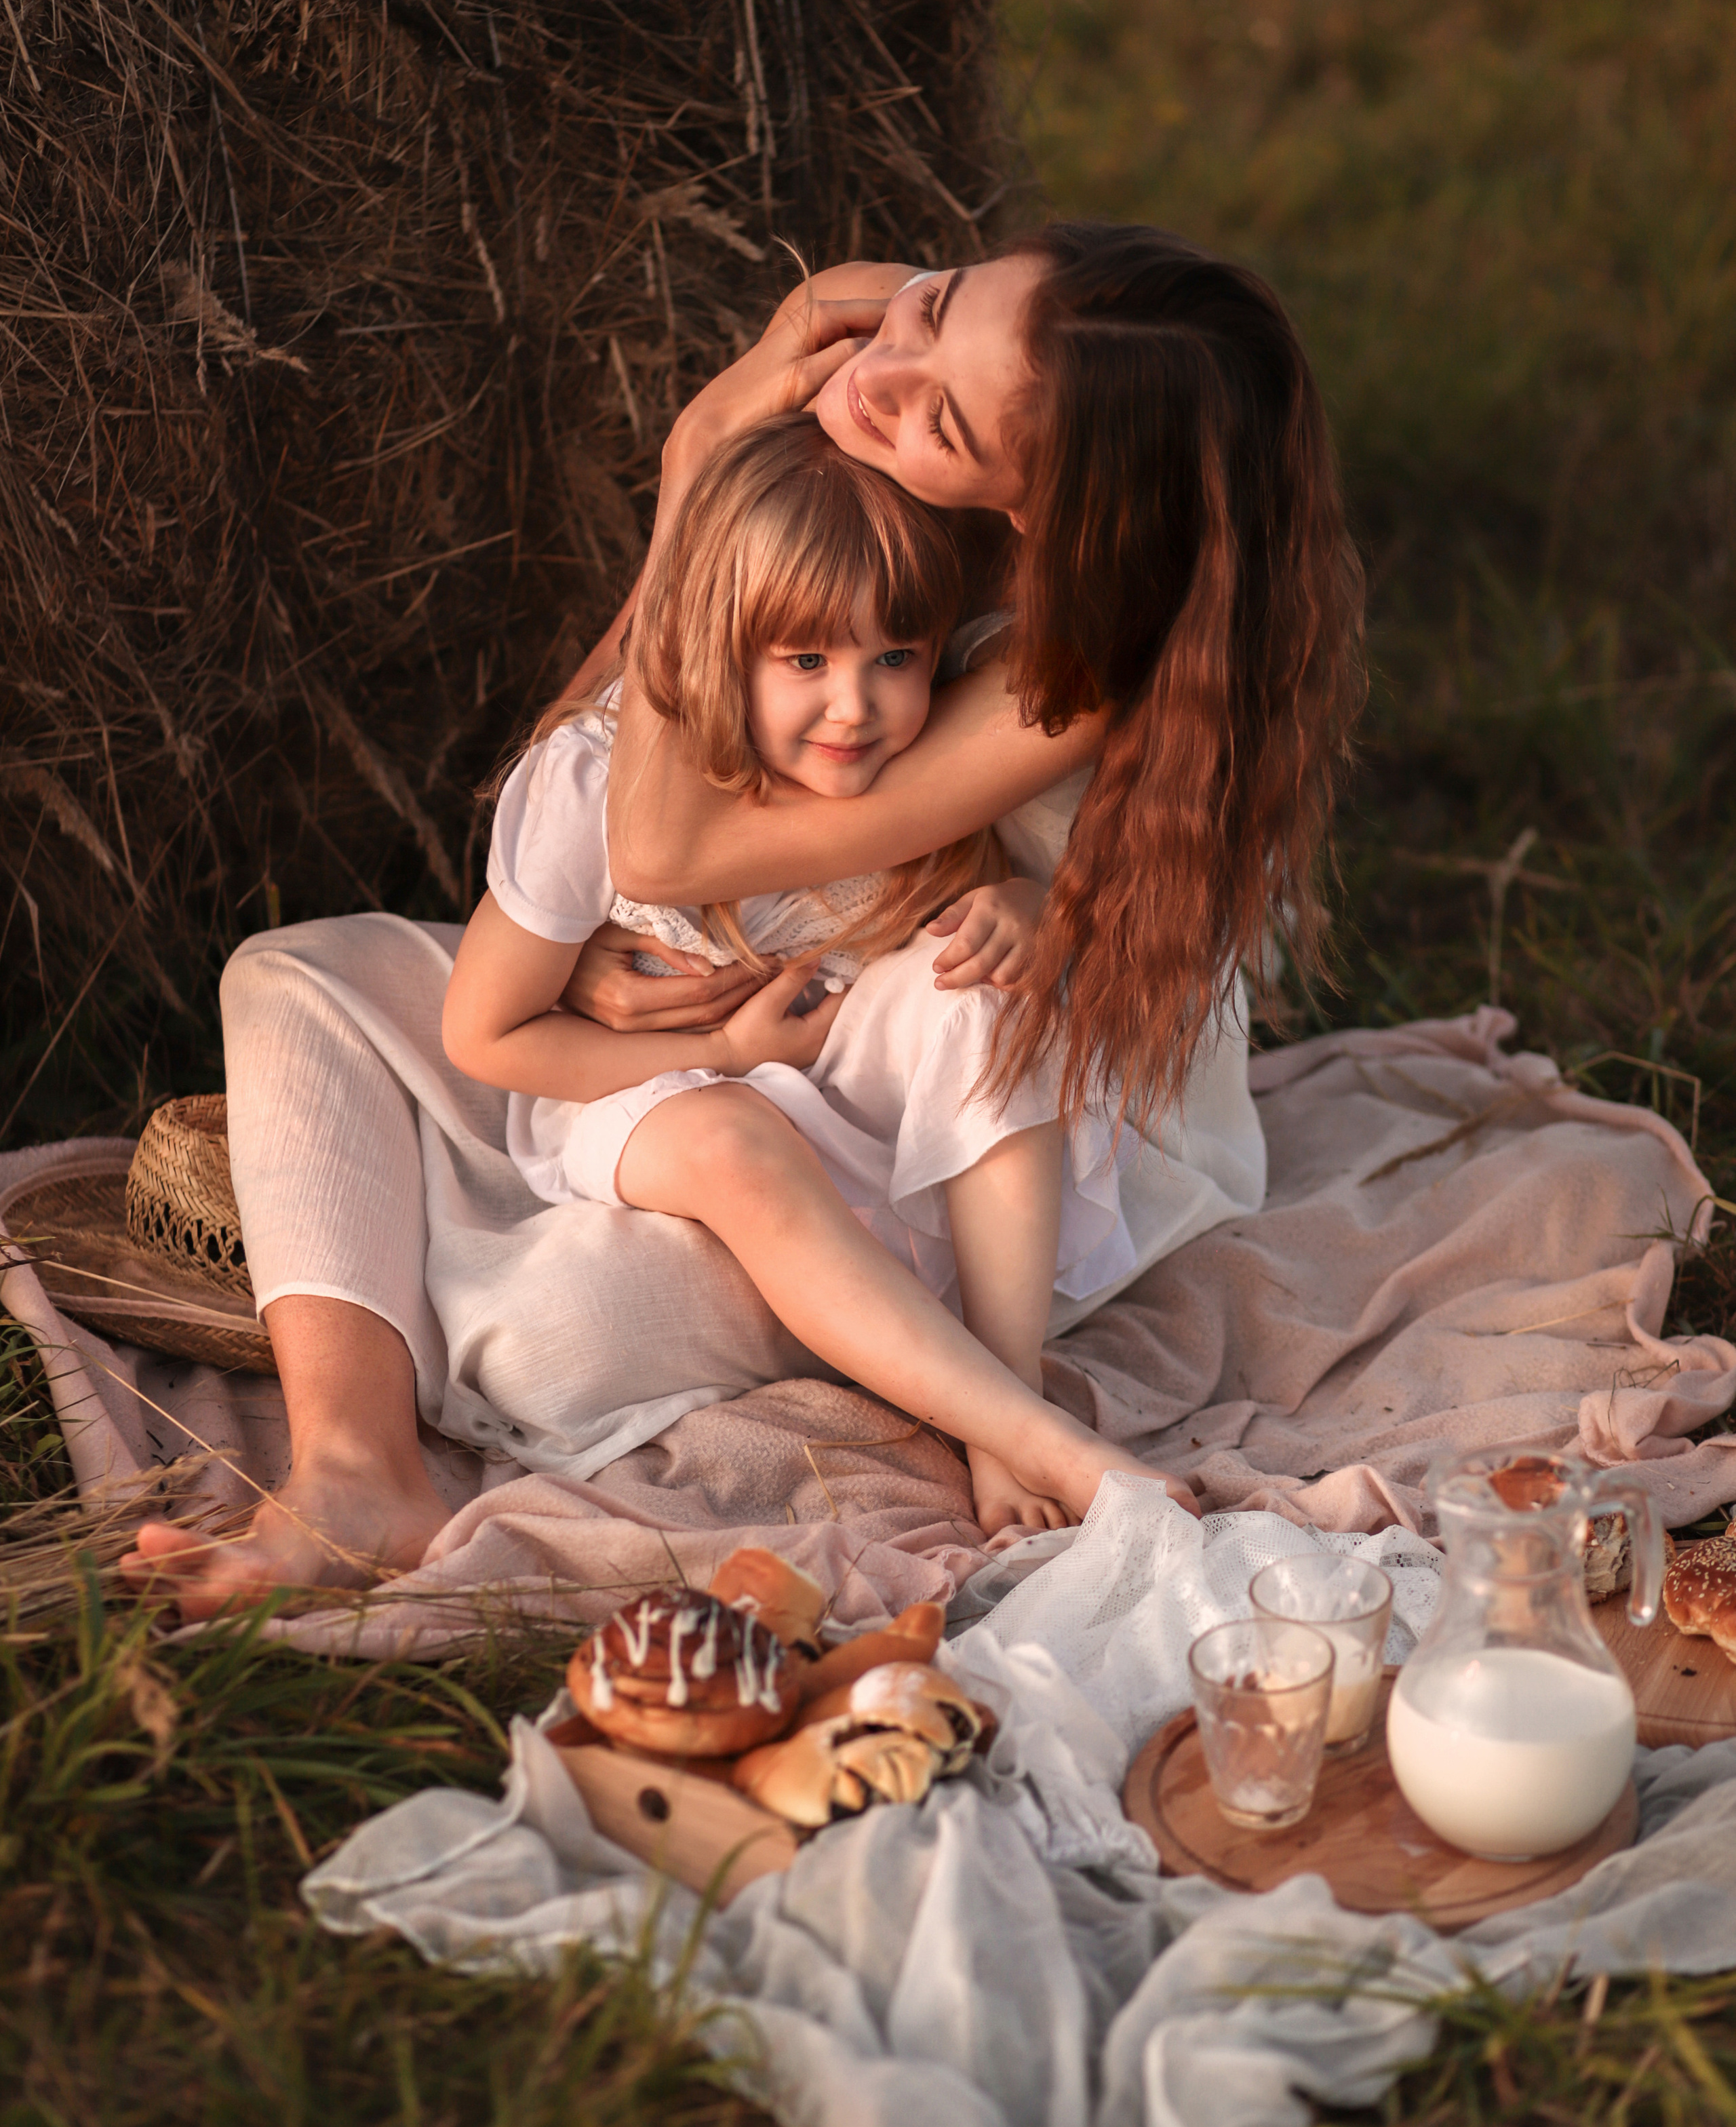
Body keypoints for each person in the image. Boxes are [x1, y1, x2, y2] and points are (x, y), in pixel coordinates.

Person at [123, 224, 1360, 1618]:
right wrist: (580, 955)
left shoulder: (1048, 676)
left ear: (1033, 516)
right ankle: (357, 1465)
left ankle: (984, 1397)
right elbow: (584, 760)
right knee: (292, 976)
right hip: (769, 992)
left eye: (940, 417)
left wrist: (702, 452)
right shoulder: (891, 359)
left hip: (999, 1089)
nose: (883, 374)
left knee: (553, 1344)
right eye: (933, 303)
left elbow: (658, 832)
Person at [441, 411, 1194, 1535]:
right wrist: (721, 1053)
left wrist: (1033, 908)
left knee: (976, 983)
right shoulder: (596, 779)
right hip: (649, 1093)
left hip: (838, 1077)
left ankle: (1005, 1388)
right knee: (733, 1137)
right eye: (805, 660)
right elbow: (484, 1035)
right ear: (715, 641)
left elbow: (1033, 898)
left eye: (895, 655)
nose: (856, 705)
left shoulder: (917, 764)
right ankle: (1033, 1438)